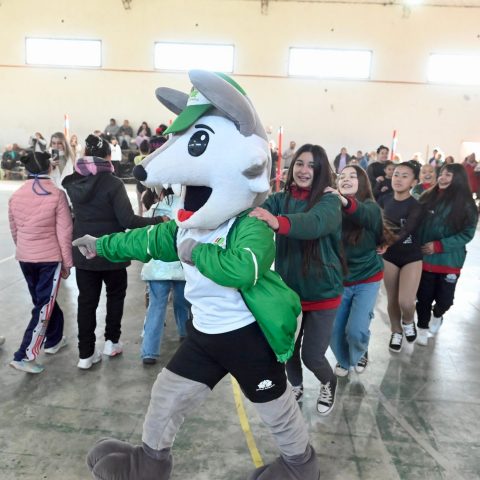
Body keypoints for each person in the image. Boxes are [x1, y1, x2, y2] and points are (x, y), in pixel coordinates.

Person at [250, 143, 343, 415]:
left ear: (321, 171)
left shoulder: (329, 201)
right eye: (300, 163)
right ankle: (296, 385)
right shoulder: (280, 198)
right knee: (288, 349)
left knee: (312, 355)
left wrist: (277, 222)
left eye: (312, 166)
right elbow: (255, 214)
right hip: (290, 292)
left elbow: (314, 224)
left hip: (324, 292)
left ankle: (329, 381)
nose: (304, 170)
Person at [62, 134, 162, 370]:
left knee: (86, 303)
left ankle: (85, 355)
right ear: (108, 156)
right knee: (115, 296)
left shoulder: (73, 183)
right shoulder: (113, 183)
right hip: (112, 250)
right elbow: (128, 220)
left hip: (84, 251)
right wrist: (158, 221)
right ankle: (111, 343)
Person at [8, 151, 73, 373]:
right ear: (50, 167)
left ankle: (54, 340)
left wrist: (24, 249)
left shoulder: (16, 195)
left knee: (44, 302)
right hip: (49, 259)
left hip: (25, 257)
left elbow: (14, 230)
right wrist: (67, 263)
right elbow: (65, 232)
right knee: (44, 306)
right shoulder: (57, 194)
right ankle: (24, 355)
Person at [329, 165, 385, 376]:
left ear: (362, 182)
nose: (346, 179)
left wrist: (345, 202)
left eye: (352, 176)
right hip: (340, 279)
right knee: (334, 330)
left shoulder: (371, 207)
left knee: (356, 330)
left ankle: (360, 352)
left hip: (367, 279)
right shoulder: (331, 208)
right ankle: (344, 360)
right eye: (342, 176)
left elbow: (365, 215)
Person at [415, 164, 478, 346]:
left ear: (458, 178)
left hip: (450, 261)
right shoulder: (427, 197)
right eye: (441, 174)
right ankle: (422, 328)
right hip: (426, 259)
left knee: (445, 301)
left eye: (448, 175)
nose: (442, 178)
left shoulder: (467, 205)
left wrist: (439, 246)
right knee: (423, 298)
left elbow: (467, 233)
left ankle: (438, 314)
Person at [140, 188, 189, 365]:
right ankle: (185, 335)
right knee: (182, 303)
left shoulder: (152, 211)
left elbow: (143, 235)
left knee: (156, 306)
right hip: (180, 265)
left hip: (156, 267)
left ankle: (149, 352)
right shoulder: (186, 209)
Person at [378, 161, 423, 353]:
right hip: (389, 257)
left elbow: (407, 229)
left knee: (406, 301)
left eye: (405, 176)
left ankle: (408, 321)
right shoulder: (383, 200)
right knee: (392, 299)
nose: (399, 179)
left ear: (414, 182)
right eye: (396, 174)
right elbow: (375, 224)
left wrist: (387, 243)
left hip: (411, 257)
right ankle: (396, 331)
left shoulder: (416, 205)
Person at [134, 140, 151, 215]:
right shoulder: (150, 158)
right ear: (149, 149)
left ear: (139, 149)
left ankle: (140, 221)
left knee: (140, 207)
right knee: (149, 206)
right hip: (148, 184)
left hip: (139, 184)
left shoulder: (136, 158)